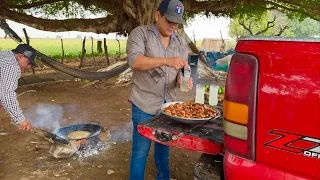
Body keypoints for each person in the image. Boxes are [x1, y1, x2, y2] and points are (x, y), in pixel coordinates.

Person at [126, 0, 193, 179]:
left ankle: (163, 177)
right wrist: (166, 61)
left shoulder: (179, 42)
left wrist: (183, 79)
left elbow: (183, 70)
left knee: (163, 149)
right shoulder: (140, 34)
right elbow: (135, 61)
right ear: (158, 15)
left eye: (177, 22)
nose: (173, 26)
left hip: (168, 107)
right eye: (169, 20)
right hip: (143, 105)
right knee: (140, 152)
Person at [0, 44, 37, 131]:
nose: (28, 67)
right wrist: (20, 119)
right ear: (20, 56)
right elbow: (7, 94)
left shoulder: (5, 55)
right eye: (28, 63)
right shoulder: (12, 65)